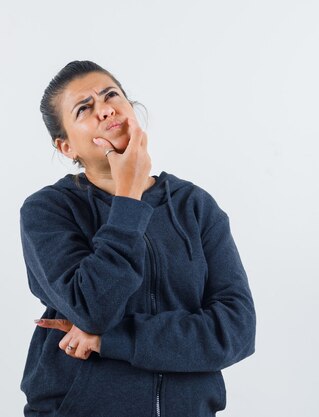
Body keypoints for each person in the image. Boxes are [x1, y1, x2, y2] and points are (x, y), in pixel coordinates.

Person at [18, 60, 257, 417]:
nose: (105, 110)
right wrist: (128, 197)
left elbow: (236, 331)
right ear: (66, 146)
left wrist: (107, 340)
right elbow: (92, 308)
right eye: (85, 108)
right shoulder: (48, 211)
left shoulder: (194, 206)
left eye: (111, 95)